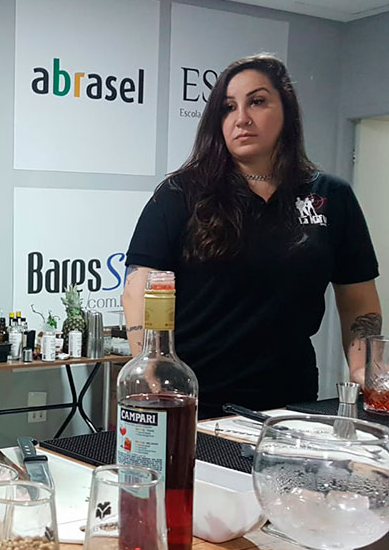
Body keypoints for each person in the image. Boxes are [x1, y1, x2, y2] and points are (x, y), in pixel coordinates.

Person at [123, 54, 381, 419]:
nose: (241, 118)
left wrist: (364, 371)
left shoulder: (331, 196)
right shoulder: (181, 192)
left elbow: (358, 300)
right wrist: (149, 365)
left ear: (286, 110)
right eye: (228, 108)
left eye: (257, 101)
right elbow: (140, 284)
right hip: (193, 398)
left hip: (291, 402)